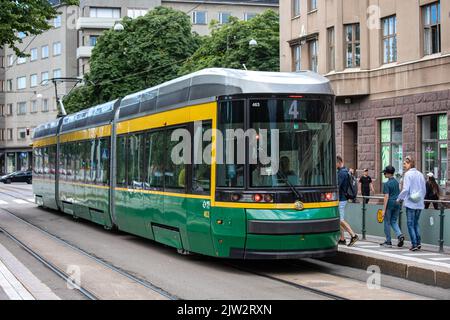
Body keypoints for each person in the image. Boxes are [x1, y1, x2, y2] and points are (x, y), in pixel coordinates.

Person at [397, 156, 426, 251]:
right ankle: (418, 243)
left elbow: (405, 189)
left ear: (410, 164)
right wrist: (421, 199)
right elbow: (424, 190)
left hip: (410, 203)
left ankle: (414, 244)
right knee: (415, 223)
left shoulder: (408, 174)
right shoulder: (420, 174)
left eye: (405, 163)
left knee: (410, 224)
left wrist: (399, 198)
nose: (404, 165)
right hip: (419, 202)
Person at [336, 156, 359, 246]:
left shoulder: (342, 173)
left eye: (335, 163)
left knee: (340, 219)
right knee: (339, 219)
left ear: (338, 162)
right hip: (343, 198)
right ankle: (342, 238)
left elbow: (337, 186)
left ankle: (353, 235)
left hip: (341, 199)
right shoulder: (345, 171)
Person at [380, 165, 405, 248]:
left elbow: (386, 196)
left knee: (387, 222)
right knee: (394, 221)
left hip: (390, 204)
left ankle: (388, 241)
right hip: (397, 203)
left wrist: (383, 209)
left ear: (388, 174)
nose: (384, 175)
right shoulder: (396, 182)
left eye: (385, 173)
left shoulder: (387, 184)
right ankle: (400, 235)